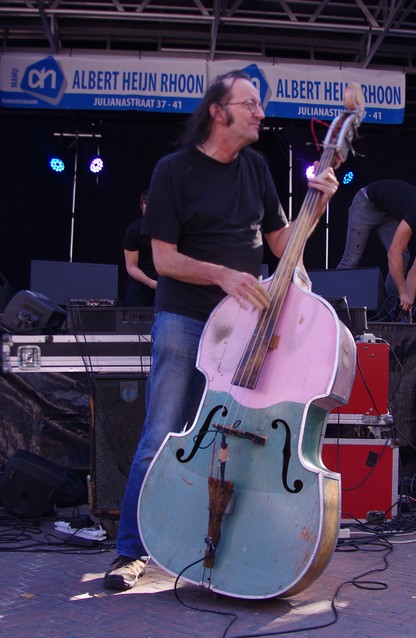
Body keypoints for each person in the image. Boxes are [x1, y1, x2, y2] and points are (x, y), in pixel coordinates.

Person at [103, 70, 341, 591]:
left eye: (259, 104)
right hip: (185, 318)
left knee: (238, 436)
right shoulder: (173, 171)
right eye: (249, 103)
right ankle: (130, 551)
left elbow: (282, 245)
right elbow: (163, 260)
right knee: (162, 434)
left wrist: (319, 202)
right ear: (218, 111)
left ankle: (212, 543)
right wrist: (223, 275)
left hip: (245, 326)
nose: (260, 112)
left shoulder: (256, 168)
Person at [336, 179, 416, 317]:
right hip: (367, 204)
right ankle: (330, 306)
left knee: (403, 257)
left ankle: (389, 312)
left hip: (386, 214)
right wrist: (402, 292)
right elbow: (393, 253)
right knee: (352, 259)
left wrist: (408, 303)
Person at [122, 189, 157, 306]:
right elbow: (131, 266)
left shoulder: (169, 229)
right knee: (134, 305)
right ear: (142, 206)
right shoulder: (133, 230)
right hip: (140, 280)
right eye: (147, 204)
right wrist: (151, 283)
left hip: (163, 279)